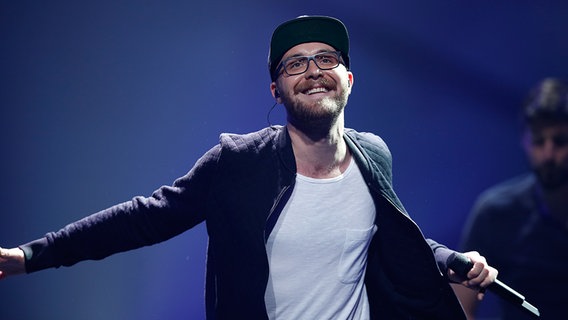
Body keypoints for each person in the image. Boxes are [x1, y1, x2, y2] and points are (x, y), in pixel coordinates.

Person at [0, 15, 496, 319]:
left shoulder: (374, 154)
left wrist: (450, 258)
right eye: (294, 64)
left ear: (348, 79)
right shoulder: (239, 162)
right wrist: (30, 255)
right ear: (276, 90)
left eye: (325, 58)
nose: (313, 71)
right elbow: (145, 217)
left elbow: (388, 234)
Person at [454, 78, 568, 319]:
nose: (548, 154)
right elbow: (459, 310)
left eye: (560, 141)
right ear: (525, 141)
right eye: (539, 141)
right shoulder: (496, 212)